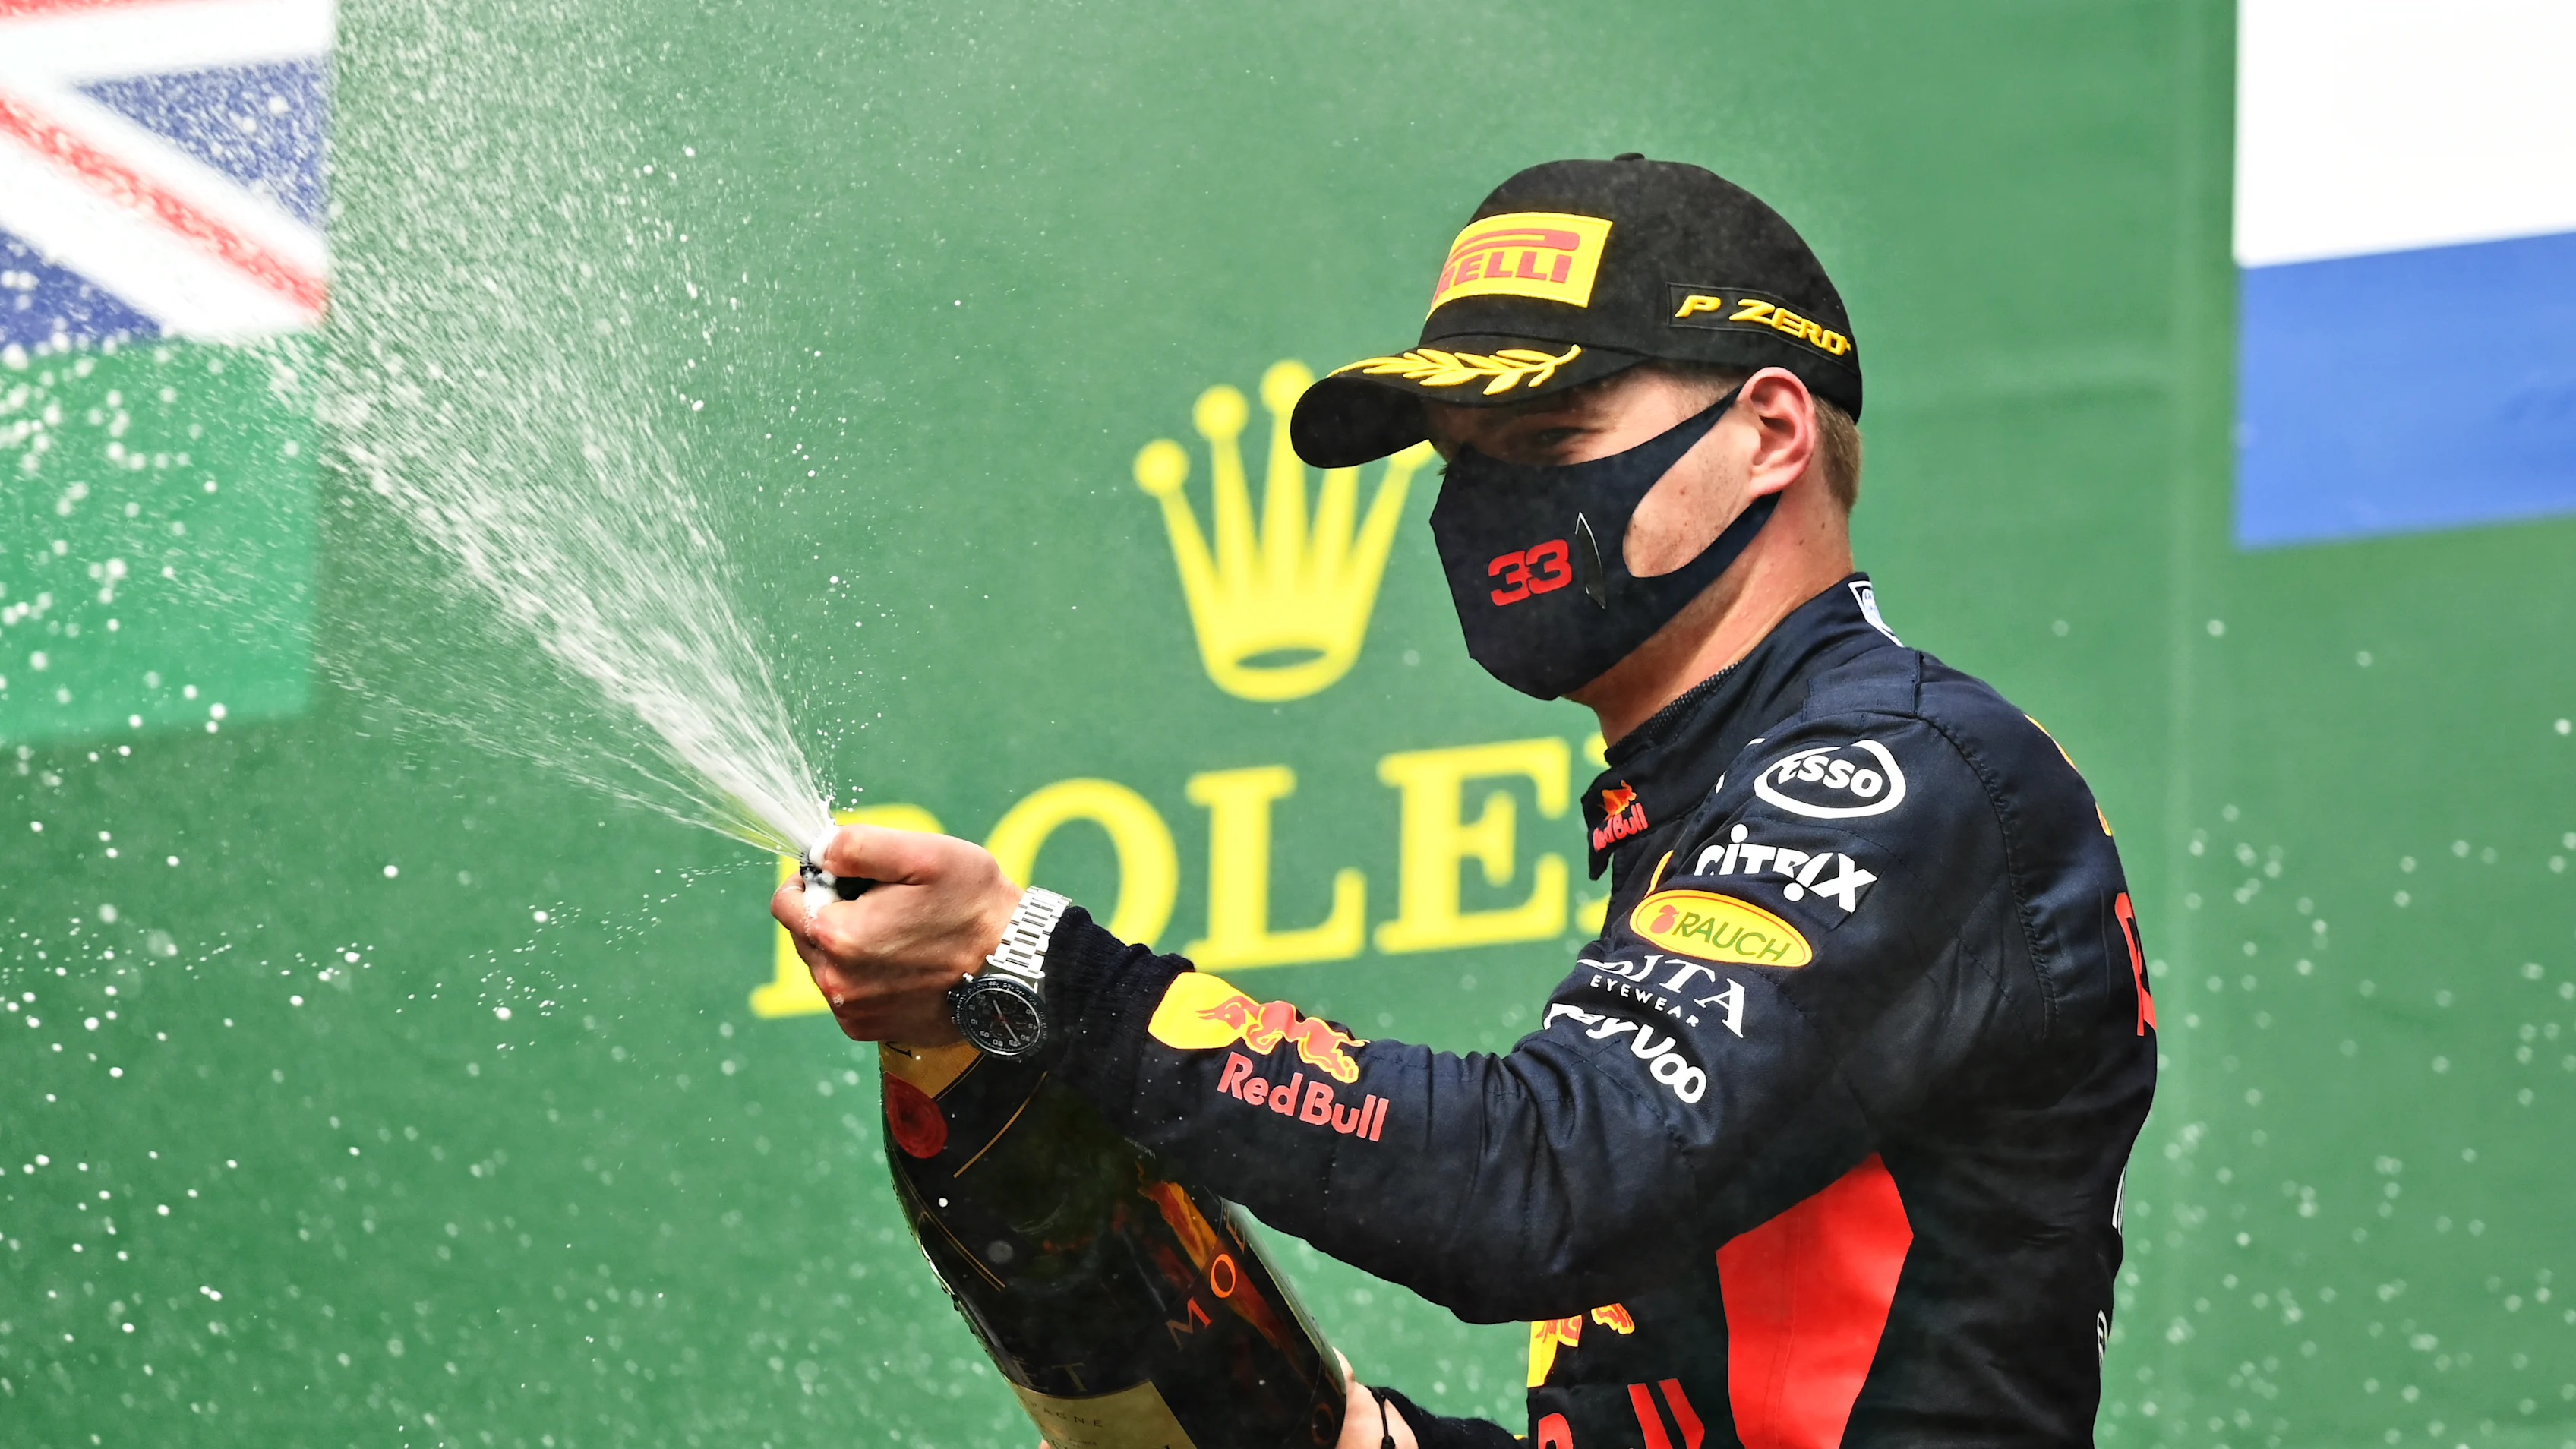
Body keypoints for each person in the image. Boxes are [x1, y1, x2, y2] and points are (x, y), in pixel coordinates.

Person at [775, 156, 2157, 1449]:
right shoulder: (1711, 798)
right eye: (1459, 461)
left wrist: (1045, 970)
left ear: (1772, 431)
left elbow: (1550, 1187)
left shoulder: (1897, 778)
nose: (1490, 504)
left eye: (1551, 435)